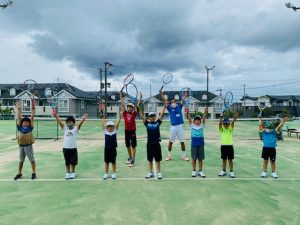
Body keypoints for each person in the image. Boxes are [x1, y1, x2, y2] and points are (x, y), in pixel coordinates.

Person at [138, 92, 166, 179]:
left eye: (154, 116)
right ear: (149, 118)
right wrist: (139, 107)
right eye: (151, 116)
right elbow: (142, 115)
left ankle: (158, 172)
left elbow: (161, 114)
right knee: (150, 159)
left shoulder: (158, 123)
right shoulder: (147, 123)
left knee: (158, 159)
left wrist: (164, 106)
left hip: (157, 144)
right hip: (149, 144)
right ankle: (150, 172)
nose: (153, 117)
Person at [53, 112, 88, 179]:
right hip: (65, 148)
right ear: (66, 123)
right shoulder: (65, 129)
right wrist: (56, 116)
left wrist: (83, 118)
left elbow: (80, 124)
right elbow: (60, 122)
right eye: (68, 122)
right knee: (67, 162)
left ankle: (73, 172)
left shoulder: (75, 129)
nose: (69, 123)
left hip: (73, 148)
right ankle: (68, 173)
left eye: (71, 122)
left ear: (73, 123)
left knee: (73, 162)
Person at [160, 90, 189, 161]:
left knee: (182, 141)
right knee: (170, 141)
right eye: (172, 102)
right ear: (170, 103)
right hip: (173, 127)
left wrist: (185, 95)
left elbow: (182, 100)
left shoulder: (179, 106)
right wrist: (161, 94)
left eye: (174, 101)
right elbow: (165, 101)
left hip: (180, 126)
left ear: (176, 102)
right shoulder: (169, 108)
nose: (173, 103)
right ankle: (169, 156)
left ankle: (184, 156)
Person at [14, 100, 36, 180]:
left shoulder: (30, 127)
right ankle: (19, 173)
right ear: (22, 123)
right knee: (21, 161)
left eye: (27, 122)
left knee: (32, 160)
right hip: (21, 147)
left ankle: (33, 173)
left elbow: (32, 117)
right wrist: (19, 109)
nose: (25, 123)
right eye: (24, 122)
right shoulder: (19, 127)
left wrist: (33, 109)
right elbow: (19, 117)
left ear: (29, 123)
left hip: (28, 146)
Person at [119, 92, 141, 167]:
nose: (129, 108)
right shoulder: (125, 113)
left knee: (133, 146)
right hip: (126, 131)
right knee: (128, 145)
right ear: (127, 107)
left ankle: (133, 160)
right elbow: (122, 104)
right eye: (128, 107)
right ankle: (130, 157)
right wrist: (121, 96)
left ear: (132, 108)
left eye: (131, 107)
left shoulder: (134, 113)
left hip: (132, 131)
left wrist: (140, 98)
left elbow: (137, 105)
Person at [188, 107, 208, 178]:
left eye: (198, 120)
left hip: (201, 145)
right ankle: (193, 170)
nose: (197, 121)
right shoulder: (192, 126)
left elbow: (204, 118)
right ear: (194, 121)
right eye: (196, 120)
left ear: (200, 121)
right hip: (194, 145)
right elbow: (189, 119)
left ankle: (200, 171)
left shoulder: (202, 126)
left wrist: (205, 112)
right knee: (194, 158)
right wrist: (188, 112)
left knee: (200, 159)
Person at [218, 112, 239, 178]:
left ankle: (231, 171)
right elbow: (219, 124)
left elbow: (233, 123)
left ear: (229, 124)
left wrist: (235, 118)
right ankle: (223, 171)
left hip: (230, 146)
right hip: (223, 146)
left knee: (230, 159)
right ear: (223, 124)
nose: (226, 125)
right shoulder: (221, 129)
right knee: (224, 159)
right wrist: (221, 117)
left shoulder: (230, 129)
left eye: (227, 123)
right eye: (224, 124)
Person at [101, 113, 121, 180]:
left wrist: (120, 117)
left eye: (111, 126)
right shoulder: (105, 131)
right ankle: (106, 173)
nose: (110, 127)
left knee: (113, 162)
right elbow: (102, 124)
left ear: (114, 127)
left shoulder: (115, 131)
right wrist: (103, 117)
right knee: (106, 162)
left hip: (113, 149)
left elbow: (118, 123)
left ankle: (114, 173)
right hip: (106, 149)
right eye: (109, 126)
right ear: (106, 127)